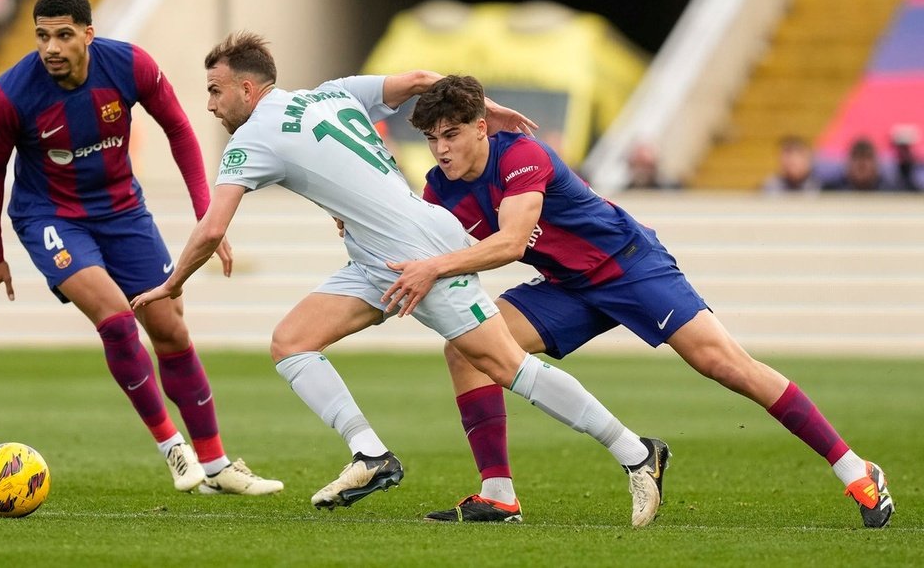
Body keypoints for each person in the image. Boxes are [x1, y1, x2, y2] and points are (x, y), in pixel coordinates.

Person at [131, 31, 671, 527]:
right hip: (376, 257)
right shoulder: (331, 93)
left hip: (416, 253)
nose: (210, 104)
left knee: (505, 364)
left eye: (216, 91)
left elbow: (211, 230)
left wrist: (171, 284)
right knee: (292, 342)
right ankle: (371, 454)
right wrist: (489, 107)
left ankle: (635, 451)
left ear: (248, 88)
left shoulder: (251, 141)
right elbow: (416, 81)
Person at [382, 75, 894, 529]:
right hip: (569, 286)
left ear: (480, 127)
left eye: (450, 134)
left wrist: (432, 267)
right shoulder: (438, 188)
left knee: (723, 363)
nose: (441, 149)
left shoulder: (520, 155)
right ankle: (498, 496)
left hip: (630, 265)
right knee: (467, 349)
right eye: (431, 138)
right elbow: (419, 240)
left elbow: (512, 243)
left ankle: (855, 468)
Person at [0, 0, 282, 496]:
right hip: (50, 216)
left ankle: (217, 466)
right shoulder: (10, 95)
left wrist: (207, 214)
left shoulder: (129, 66)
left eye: (64, 35)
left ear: (88, 35)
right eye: (43, 36)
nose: (52, 47)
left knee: (171, 331)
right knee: (117, 320)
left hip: (123, 212)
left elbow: (180, 130)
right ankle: (173, 449)